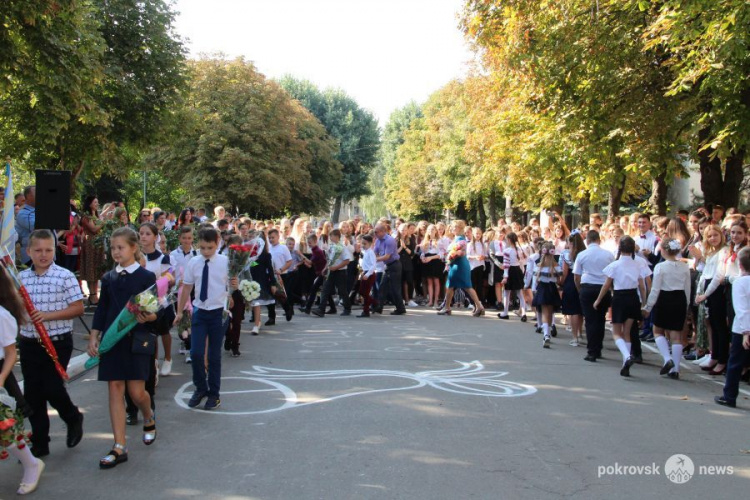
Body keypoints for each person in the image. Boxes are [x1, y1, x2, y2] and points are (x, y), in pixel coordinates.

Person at [87, 227, 158, 469]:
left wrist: (146, 317)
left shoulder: (146, 277)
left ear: (133, 248)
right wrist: (94, 336)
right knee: (115, 389)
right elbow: (102, 309)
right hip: (111, 341)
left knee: (137, 393)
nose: (116, 252)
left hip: (135, 340)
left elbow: (153, 312)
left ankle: (148, 416)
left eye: (121, 247)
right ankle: (119, 446)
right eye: (113, 248)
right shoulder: (108, 278)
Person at [18, 230, 85, 458]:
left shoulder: (64, 276)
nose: (43, 255)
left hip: (57, 342)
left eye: (48, 250)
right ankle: (40, 442)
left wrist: (48, 316)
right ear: (29, 251)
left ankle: (72, 416)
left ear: (54, 250)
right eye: (38, 250)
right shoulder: (20, 278)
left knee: (53, 388)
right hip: (28, 343)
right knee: (33, 394)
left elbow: (78, 308)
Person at [174, 228, 232, 410]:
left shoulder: (226, 262)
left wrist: (234, 288)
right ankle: (200, 388)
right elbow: (187, 288)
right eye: (203, 247)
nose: (206, 251)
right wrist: (180, 311)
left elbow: (232, 285)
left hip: (218, 313)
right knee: (196, 353)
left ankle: (214, 395)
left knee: (214, 356)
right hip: (200, 311)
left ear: (218, 243)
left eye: (210, 248)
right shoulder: (194, 262)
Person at [1, 265, 45, 494]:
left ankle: (31, 463)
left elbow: (10, 354)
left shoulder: (2, 315)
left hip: (0, 378)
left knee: (5, 430)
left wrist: (0, 379)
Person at [594, 236, 649, 377]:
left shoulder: (615, 265)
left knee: (616, 332)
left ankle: (626, 355)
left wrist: (598, 300)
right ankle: (626, 359)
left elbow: (606, 285)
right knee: (627, 332)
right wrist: (644, 303)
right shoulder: (638, 264)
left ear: (620, 248)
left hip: (619, 298)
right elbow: (642, 286)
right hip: (633, 298)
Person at [642, 238, 691, 379]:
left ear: (663, 250)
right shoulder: (684, 266)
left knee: (657, 331)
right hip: (680, 299)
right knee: (676, 335)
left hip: (664, 299)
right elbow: (687, 287)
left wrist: (648, 306)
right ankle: (675, 369)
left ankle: (667, 358)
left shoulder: (660, 267)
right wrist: (686, 304)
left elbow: (655, 289)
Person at [715, 247, 750, 408]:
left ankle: (729, 396)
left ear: (741, 266)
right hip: (743, 328)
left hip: (742, 329)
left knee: (735, 363)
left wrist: (746, 332)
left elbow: (741, 309)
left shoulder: (740, 283)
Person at [574, 230, 614, 362]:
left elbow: (576, 276)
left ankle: (592, 351)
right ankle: (598, 348)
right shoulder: (608, 255)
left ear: (587, 240)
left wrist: (580, 289)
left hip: (588, 287)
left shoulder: (582, 254)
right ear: (599, 240)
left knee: (590, 320)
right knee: (600, 319)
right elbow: (612, 274)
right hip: (603, 287)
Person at [437, 220, 485, 317]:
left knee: (457, 286)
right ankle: (479, 306)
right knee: (461, 286)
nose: (451, 228)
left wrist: (451, 257)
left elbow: (461, 252)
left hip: (458, 265)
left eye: (454, 227)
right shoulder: (457, 238)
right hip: (458, 264)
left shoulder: (460, 239)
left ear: (459, 228)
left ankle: (447, 308)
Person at [170, 226, 198, 363]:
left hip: (192, 291)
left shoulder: (197, 254)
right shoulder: (173, 255)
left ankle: (189, 348)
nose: (187, 241)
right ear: (180, 238)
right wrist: (176, 283)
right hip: (178, 291)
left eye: (189, 238)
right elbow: (171, 273)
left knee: (191, 319)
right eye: (184, 238)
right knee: (181, 318)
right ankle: (184, 340)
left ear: (193, 238)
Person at [312, 229, 352, 317]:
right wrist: (325, 268)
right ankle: (321, 309)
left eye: (331, 236)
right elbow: (329, 259)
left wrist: (336, 267)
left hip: (340, 272)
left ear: (337, 236)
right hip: (331, 271)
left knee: (342, 291)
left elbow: (347, 260)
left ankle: (347, 308)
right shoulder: (332, 247)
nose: (330, 238)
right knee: (325, 289)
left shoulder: (342, 247)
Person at [532, 242, 562, 348]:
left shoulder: (539, 265)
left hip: (542, 289)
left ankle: (546, 334)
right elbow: (559, 280)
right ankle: (547, 332)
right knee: (550, 312)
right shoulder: (556, 266)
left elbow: (536, 280)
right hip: (552, 288)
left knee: (544, 312)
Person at [373, 223, 407, 315]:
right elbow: (375, 252)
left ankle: (400, 308)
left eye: (376, 232)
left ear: (383, 231)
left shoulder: (390, 240)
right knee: (382, 287)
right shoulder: (378, 240)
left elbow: (387, 256)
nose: (375, 233)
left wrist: (375, 259)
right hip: (388, 266)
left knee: (395, 288)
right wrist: (373, 257)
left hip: (394, 265)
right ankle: (379, 307)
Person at [560, 232, 585, 346]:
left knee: (573, 311)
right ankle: (580, 332)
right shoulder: (584, 253)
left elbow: (565, 272)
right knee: (580, 310)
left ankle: (575, 337)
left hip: (571, 279)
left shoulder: (566, 254)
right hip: (583, 279)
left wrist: (561, 282)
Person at [80, 195, 104, 306]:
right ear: (89, 204)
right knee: (91, 268)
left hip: (98, 244)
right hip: (90, 244)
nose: (97, 204)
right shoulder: (86, 216)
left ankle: (94, 294)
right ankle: (92, 294)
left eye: (97, 202)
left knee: (97, 269)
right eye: (95, 202)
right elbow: (94, 229)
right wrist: (102, 222)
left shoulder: (97, 215)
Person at [498, 232, 526, 321]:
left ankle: (505, 313)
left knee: (506, 293)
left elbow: (506, 265)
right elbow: (521, 263)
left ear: (509, 240)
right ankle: (524, 313)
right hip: (518, 270)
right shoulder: (519, 250)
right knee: (520, 294)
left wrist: (505, 276)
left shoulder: (507, 251)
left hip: (510, 271)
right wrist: (522, 273)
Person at [268, 228, 293, 322]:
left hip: (281, 275)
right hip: (271, 276)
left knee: (281, 295)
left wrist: (281, 269)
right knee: (270, 296)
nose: (271, 239)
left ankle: (287, 309)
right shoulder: (268, 249)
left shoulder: (283, 248)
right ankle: (271, 317)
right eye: (269, 238)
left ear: (278, 237)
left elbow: (289, 261)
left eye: (273, 237)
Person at [300, 234, 327, 315]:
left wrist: (300, 254)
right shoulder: (315, 250)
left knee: (314, 289)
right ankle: (333, 308)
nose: (309, 244)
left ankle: (308, 308)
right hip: (321, 273)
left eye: (310, 242)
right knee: (325, 290)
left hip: (323, 273)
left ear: (315, 242)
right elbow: (311, 264)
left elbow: (310, 262)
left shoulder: (317, 251)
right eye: (308, 242)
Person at [356, 234, 378, 318]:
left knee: (365, 292)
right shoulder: (365, 252)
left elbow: (373, 265)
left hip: (370, 274)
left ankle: (366, 311)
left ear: (370, 244)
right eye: (362, 243)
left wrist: (368, 274)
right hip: (365, 272)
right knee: (362, 291)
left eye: (365, 244)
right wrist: (362, 272)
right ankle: (375, 303)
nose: (363, 245)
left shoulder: (371, 252)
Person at [15, 186, 36, 266]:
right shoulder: (23, 213)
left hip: (45, 254)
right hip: (30, 256)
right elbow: (39, 227)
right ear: (27, 196)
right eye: (35, 191)